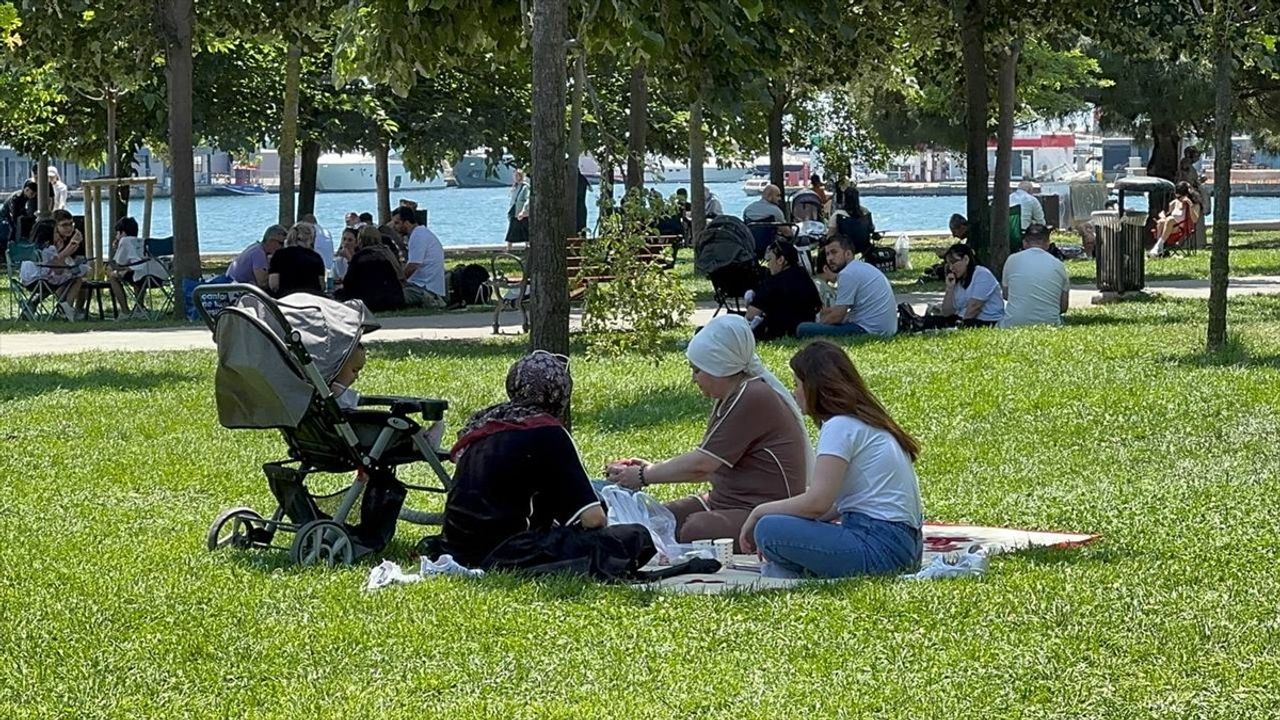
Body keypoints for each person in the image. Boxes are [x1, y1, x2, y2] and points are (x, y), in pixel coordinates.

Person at [436, 351, 654, 575]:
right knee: (634, 536)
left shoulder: (486, 423)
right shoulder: (547, 431)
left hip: (457, 548)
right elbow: (594, 519)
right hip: (506, 552)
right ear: (559, 392)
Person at [606, 315, 811, 550]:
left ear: (718, 367)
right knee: (657, 520)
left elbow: (702, 464)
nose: (694, 379)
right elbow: (711, 464)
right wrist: (653, 468)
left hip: (766, 510)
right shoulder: (731, 397)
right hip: (726, 501)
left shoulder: (752, 396)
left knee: (693, 530)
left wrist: (643, 475)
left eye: (697, 370)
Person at [741, 341, 923, 579]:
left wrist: (758, 512)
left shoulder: (840, 425)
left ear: (815, 387)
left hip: (879, 546)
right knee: (780, 522)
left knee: (768, 529)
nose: (795, 392)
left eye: (797, 384)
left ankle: (796, 567)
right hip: (904, 546)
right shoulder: (866, 422)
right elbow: (832, 505)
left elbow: (817, 503)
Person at [795, 234, 898, 338]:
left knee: (803, 328)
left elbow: (837, 316)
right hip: (886, 328)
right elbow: (842, 311)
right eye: (827, 254)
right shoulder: (861, 267)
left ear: (848, 254)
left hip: (869, 330)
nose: (830, 258)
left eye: (834, 252)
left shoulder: (847, 274)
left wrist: (819, 325)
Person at [745, 240, 822, 340]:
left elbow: (751, 315)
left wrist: (749, 304)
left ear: (780, 260)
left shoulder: (774, 282)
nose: (769, 264)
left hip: (779, 332)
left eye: (770, 260)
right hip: (804, 328)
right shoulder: (805, 277)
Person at [1000, 223, 1070, 328]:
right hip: (1050, 324)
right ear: (1047, 243)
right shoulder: (1058, 265)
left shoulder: (1012, 260)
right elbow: (1063, 307)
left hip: (1013, 323)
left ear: (1024, 243)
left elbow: (1006, 295)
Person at [106, 216, 168, 319]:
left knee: (113, 276)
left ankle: (125, 311)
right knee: (136, 273)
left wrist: (117, 249)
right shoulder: (142, 242)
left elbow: (119, 264)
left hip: (143, 277)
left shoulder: (125, 241)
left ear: (123, 233)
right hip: (160, 277)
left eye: (117, 233)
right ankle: (139, 309)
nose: (116, 236)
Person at [335, 225, 406, 312]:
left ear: (360, 241)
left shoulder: (360, 257)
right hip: (393, 298)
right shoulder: (386, 253)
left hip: (370, 301)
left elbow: (349, 284)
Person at [937, 243, 1004, 327]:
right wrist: (950, 289)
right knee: (932, 321)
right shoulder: (959, 281)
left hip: (986, 321)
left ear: (966, 259)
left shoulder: (982, 274)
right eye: (948, 264)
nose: (951, 268)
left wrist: (960, 326)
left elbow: (975, 307)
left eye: (953, 263)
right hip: (963, 319)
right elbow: (947, 313)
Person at [35, 214, 88, 321]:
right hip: (45, 276)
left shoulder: (71, 237)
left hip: (47, 276)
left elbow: (79, 257)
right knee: (74, 278)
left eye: (71, 224)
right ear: (55, 228)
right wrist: (70, 247)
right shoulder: (48, 245)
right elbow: (56, 266)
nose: (69, 228)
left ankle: (71, 309)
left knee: (76, 275)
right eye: (64, 225)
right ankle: (66, 307)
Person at [392, 205, 446, 308]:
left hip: (423, 288)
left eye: (397, 223)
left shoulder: (417, 236)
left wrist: (397, 282)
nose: (394, 227)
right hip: (424, 286)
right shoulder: (421, 233)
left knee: (389, 296)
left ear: (406, 222)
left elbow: (413, 265)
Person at [267, 222, 325, 297]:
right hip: (311, 300)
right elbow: (322, 286)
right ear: (310, 239)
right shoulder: (316, 257)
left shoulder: (279, 255)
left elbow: (274, 285)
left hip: (286, 300)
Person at [1149, 181, 1201, 258]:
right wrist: (1162, 216)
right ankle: (1160, 249)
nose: (1178, 199)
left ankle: (1157, 247)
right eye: (1176, 197)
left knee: (1170, 220)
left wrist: (1190, 206)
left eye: (1179, 197)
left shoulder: (1195, 204)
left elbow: (1194, 220)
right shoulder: (1174, 203)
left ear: (1186, 195)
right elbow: (1166, 213)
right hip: (1169, 227)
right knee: (1162, 221)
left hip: (1182, 228)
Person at [832, 186, 875, 253]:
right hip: (864, 247)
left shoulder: (838, 214)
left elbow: (830, 235)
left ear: (844, 198)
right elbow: (871, 229)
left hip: (845, 248)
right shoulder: (866, 212)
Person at [2, 180, 38, 255]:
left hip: (13, 216)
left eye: (34, 194)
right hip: (5, 217)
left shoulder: (25, 197)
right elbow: (13, 213)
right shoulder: (16, 197)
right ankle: (8, 250)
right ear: (26, 190)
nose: (33, 196)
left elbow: (22, 210)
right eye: (32, 193)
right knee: (12, 229)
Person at [505, 168, 530, 250]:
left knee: (525, 231)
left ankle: (528, 247)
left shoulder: (525, 187)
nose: (515, 177)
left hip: (521, 213)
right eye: (515, 176)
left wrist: (524, 211)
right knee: (511, 232)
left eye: (517, 175)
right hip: (514, 212)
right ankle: (509, 249)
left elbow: (527, 199)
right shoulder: (515, 186)